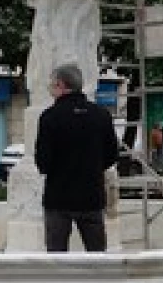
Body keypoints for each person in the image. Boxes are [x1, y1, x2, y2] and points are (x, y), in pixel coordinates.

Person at [35, 63, 119, 252]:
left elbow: (43, 162)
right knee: (97, 255)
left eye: (52, 84)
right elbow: (112, 154)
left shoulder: (49, 117)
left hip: (58, 198)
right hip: (92, 196)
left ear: (61, 85)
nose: (50, 88)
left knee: (57, 257)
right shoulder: (101, 115)